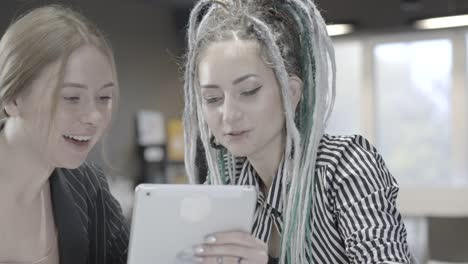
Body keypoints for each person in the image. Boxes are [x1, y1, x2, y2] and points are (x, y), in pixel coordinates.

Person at [182, 0, 413, 263]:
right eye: (212, 98)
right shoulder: (227, 178)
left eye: (248, 91)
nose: (229, 113)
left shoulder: (342, 167)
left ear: (291, 93)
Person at [0, 5, 129, 264]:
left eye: (104, 97)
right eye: (71, 97)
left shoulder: (89, 186)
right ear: (13, 98)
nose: (94, 117)